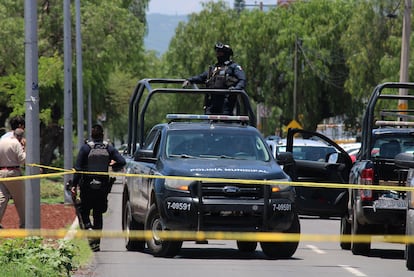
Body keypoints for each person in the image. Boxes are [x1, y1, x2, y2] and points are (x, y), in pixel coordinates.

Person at [71, 124, 126, 251]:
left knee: (84, 211)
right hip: (102, 186)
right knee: (98, 213)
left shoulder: (85, 148)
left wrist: (74, 185)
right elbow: (122, 161)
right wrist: (113, 165)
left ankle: (89, 228)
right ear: (102, 136)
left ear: (91, 135)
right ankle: (96, 244)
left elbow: (78, 168)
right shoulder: (109, 148)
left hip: (87, 186)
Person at [183, 42, 246, 115]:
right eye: (217, 52)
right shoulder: (214, 69)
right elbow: (201, 77)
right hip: (211, 102)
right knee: (209, 123)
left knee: (225, 123)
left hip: (226, 102)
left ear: (226, 54)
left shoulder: (233, 67)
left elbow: (242, 80)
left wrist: (235, 89)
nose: (218, 54)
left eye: (220, 52)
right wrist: (189, 80)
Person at [0, 128, 26, 228]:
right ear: (21, 137)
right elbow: (22, 159)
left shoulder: (1, 141)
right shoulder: (16, 143)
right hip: (13, 172)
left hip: (1, 172)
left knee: (2, 198)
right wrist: (25, 148)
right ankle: (24, 224)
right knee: (21, 200)